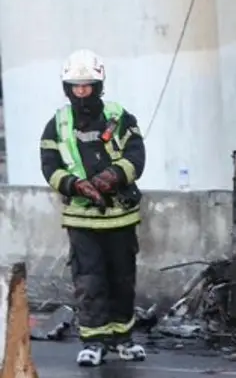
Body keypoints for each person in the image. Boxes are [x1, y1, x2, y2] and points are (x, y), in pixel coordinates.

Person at [40, 49, 147, 367]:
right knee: (89, 282)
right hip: (81, 219)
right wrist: (76, 185)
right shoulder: (57, 124)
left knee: (122, 279)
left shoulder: (119, 116)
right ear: (67, 87)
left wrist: (112, 176)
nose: (82, 91)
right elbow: (49, 166)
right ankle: (94, 342)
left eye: (87, 85)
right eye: (76, 85)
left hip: (120, 217)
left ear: (99, 85)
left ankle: (123, 340)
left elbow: (137, 155)